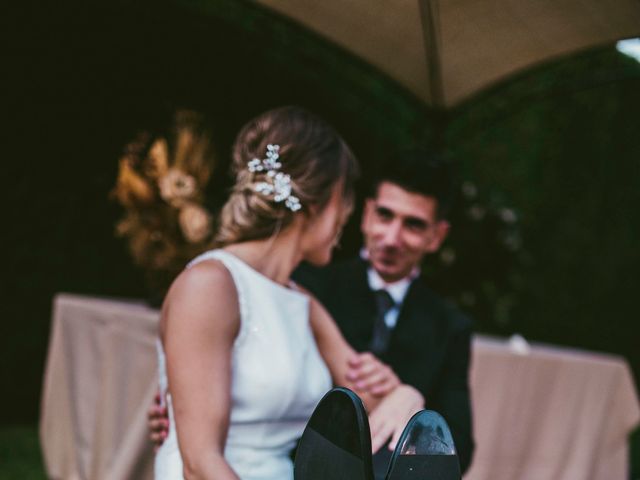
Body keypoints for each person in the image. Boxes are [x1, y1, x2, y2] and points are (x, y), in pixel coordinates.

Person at [154, 106, 425, 480]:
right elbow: (200, 463)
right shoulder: (209, 285)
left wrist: (408, 396)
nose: (347, 215)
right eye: (345, 196)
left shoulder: (303, 303)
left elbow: (373, 397)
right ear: (317, 202)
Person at [293, 149, 475, 475]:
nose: (392, 239)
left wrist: (411, 399)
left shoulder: (450, 326)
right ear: (366, 215)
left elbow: (460, 448)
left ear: (437, 236)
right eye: (385, 216)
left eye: (413, 225)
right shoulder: (309, 285)